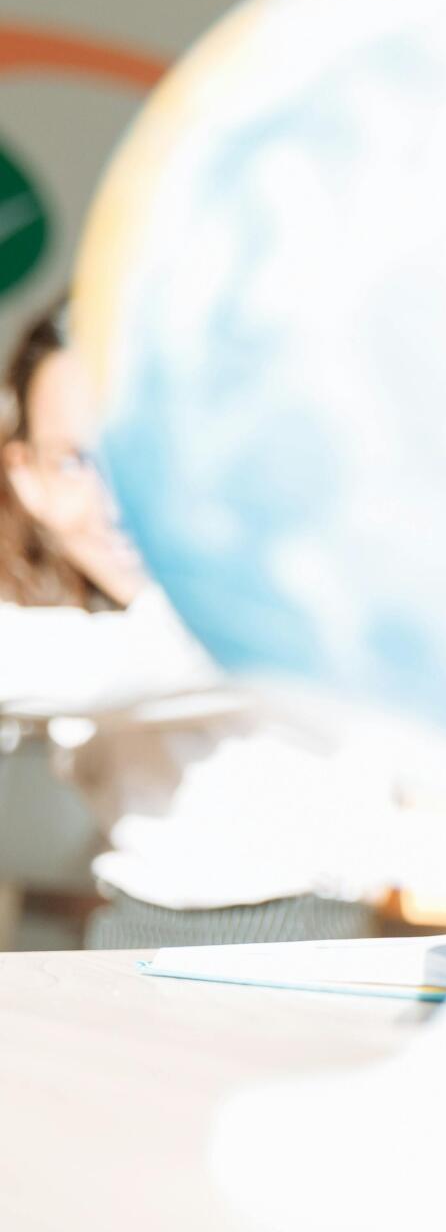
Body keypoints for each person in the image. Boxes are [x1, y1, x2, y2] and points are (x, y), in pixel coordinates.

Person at [0, 303, 391, 948]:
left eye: (142, 455)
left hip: (297, 951)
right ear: (28, 479)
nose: (113, 505)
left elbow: (101, 669)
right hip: (127, 934)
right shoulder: (79, 615)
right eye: (75, 463)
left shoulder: (261, 602)